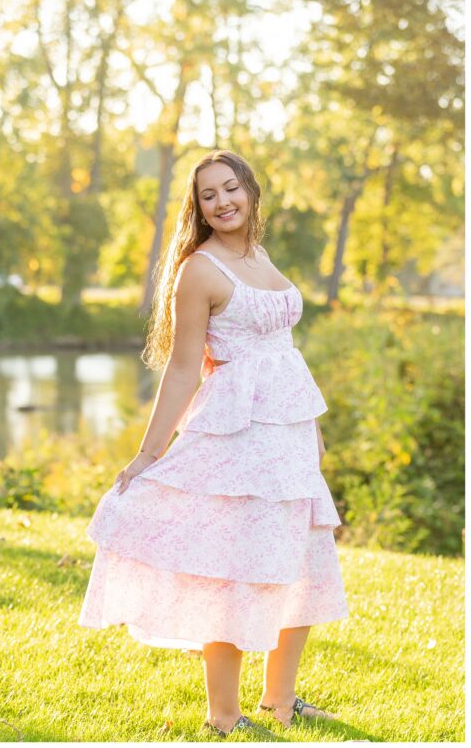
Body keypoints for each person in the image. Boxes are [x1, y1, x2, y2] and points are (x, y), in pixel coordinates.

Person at [78, 150, 348, 739]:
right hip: (239, 441)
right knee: (236, 572)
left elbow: (284, 353)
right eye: (209, 194)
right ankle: (225, 716)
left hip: (290, 438)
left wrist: (312, 430)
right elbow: (182, 369)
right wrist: (150, 453)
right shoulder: (199, 271)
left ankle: (280, 703)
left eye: (231, 188)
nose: (223, 201)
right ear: (197, 206)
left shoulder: (259, 255)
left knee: (296, 564)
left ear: (250, 192)